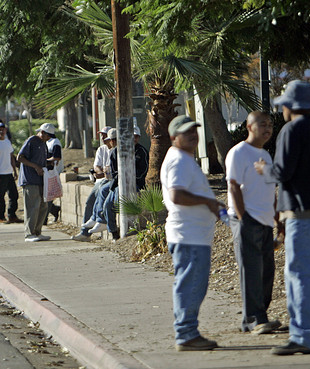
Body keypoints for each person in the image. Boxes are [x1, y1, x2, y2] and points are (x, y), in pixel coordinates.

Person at [254, 80, 310, 355]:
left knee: (299, 274)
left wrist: (264, 169)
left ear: (290, 107)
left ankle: (302, 335)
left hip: (300, 211)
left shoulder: (290, 130)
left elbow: (282, 172)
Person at [161, 115, 224, 351]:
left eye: (194, 130)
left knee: (192, 285)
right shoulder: (179, 160)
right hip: (188, 235)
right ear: (173, 137)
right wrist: (209, 203)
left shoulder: (183, 158)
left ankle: (187, 331)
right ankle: (186, 334)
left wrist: (213, 204)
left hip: (192, 235)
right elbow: (177, 195)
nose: (192, 135)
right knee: (191, 285)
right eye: (186, 132)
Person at [225, 111, 280, 335]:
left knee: (267, 271)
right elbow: (233, 187)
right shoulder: (238, 152)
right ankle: (252, 320)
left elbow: (271, 191)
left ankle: (262, 315)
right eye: (262, 124)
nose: (267, 128)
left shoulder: (266, 155)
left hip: (266, 221)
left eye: (270, 125)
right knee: (250, 271)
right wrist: (242, 218)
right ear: (249, 126)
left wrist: (279, 221)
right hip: (246, 219)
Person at [88, 126, 149, 240]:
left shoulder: (142, 151)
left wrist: (131, 178)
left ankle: (129, 230)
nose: (134, 139)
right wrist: (120, 180)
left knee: (120, 204)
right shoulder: (116, 151)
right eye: (132, 137)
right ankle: (113, 232)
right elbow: (114, 171)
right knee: (107, 205)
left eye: (136, 137)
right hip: (118, 183)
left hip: (135, 184)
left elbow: (143, 171)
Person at [71, 126, 113, 241]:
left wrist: (104, 174)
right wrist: (99, 173)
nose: (103, 138)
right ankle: (85, 233)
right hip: (101, 180)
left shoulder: (116, 149)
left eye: (105, 136)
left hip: (108, 180)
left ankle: (98, 220)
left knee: (101, 193)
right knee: (90, 201)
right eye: (102, 136)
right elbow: (96, 166)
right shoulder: (101, 149)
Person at [17, 125, 51, 242]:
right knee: (32, 206)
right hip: (30, 179)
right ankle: (29, 233)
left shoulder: (43, 144)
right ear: (42, 132)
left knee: (43, 205)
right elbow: (20, 157)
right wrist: (35, 166)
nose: (49, 138)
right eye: (48, 135)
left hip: (40, 179)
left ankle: (37, 231)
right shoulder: (32, 141)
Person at [0, 122, 22, 224]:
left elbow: (11, 157)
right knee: (1, 197)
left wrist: (15, 171)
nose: (2, 131)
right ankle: (1, 216)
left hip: (9, 173)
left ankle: (12, 215)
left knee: (14, 195)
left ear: (6, 131)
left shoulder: (7, 142)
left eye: (3, 129)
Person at [42, 123, 62, 224]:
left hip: (54, 173)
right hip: (48, 172)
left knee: (48, 197)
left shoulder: (55, 142)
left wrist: (45, 160)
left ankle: (44, 219)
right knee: (46, 196)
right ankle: (54, 210)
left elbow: (57, 157)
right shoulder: (47, 142)